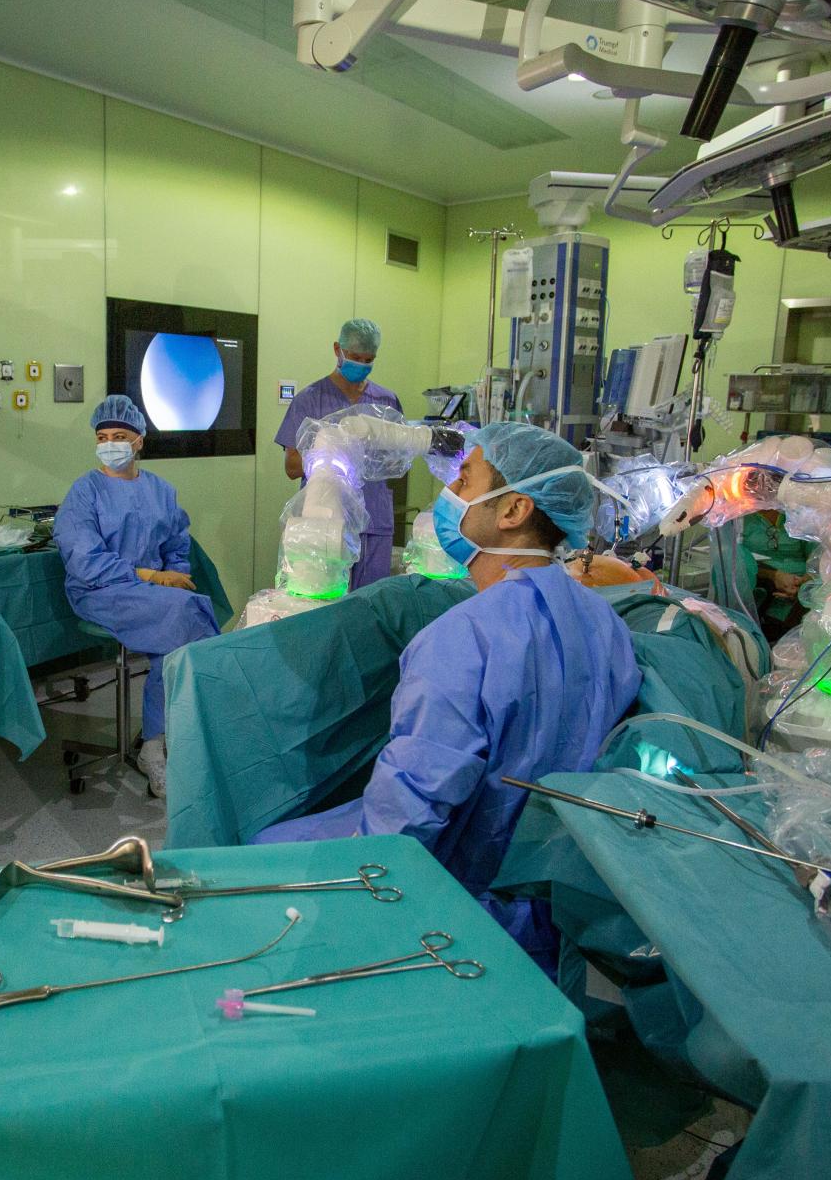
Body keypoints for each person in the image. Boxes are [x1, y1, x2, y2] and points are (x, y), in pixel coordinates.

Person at [255, 423, 642, 973]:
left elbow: (407, 815)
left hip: (463, 908)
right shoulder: (604, 622)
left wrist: (353, 911)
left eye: (464, 479)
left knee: (262, 850)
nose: (449, 492)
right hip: (556, 910)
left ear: (513, 510)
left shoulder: (463, 640)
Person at [54, 395, 221, 798]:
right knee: (186, 616)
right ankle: (166, 741)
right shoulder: (85, 491)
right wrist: (148, 575)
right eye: (102, 437)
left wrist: (173, 577)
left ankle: (157, 741)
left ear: (139, 441)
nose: (110, 444)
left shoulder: (161, 491)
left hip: (149, 593)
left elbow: (177, 546)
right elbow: (84, 560)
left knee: (179, 626)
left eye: (119, 436)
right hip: (101, 589)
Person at [276, 318, 402, 590]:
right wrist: (335, 454)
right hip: (324, 522)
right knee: (324, 596)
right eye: (355, 358)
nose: (362, 365)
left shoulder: (386, 402)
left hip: (373, 520)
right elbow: (292, 466)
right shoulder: (310, 400)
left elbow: (397, 459)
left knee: (371, 602)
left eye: (369, 360)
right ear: (337, 350)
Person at [742, 508, 812, 642]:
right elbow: (735, 561)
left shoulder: (797, 514)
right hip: (761, 587)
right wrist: (773, 576)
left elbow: (817, 558)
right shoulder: (739, 517)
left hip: (802, 587)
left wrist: (805, 582)